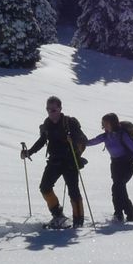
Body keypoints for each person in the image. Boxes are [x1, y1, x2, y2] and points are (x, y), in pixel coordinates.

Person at [22, 96, 86, 228]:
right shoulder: (47, 124)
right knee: (45, 187)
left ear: (60, 109)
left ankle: (78, 221)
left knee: (73, 192)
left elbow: (81, 139)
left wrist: (72, 140)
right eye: (48, 109)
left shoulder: (70, 123)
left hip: (70, 162)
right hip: (54, 161)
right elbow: (42, 141)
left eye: (53, 110)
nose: (51, 112)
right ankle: (58, 215)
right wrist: (29, 152)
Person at [85, 113, 133, 223]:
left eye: (106, 123)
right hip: (115, 166)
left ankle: (120, 214)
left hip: (126, 165)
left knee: (117, 188)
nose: (104, 125)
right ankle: (128, 214)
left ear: (113, 123)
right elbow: (90, 142)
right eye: (103, 123)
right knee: (119, 189)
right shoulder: (105, 136)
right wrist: (77, 141)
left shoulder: (122, 134)